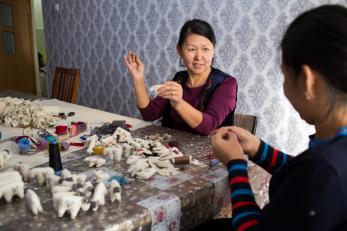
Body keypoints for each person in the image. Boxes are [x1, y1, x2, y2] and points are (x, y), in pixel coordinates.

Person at [207, 4, 347, 231]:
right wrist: (258, 148)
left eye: (285, 76)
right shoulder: (328, 161)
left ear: (308, 81)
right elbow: (302, 176)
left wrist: (235, 164)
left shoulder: (323, 170)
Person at [124, 19, 237, 135]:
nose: (199, 57)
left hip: (213, 150)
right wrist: (138, 79)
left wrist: (179, 103)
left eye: (205, 49)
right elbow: (149, 114)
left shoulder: (227, 83)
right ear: (180, 50)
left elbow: (209, 126)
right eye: (191, 49)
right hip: (172, 149)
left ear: (213, 50)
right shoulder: (179, 78)